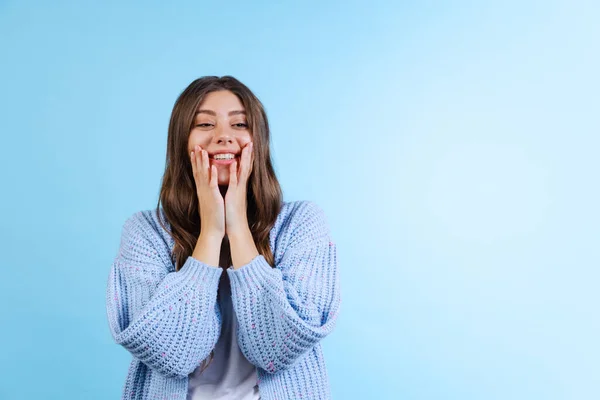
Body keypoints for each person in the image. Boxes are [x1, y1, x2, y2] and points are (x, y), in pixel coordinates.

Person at [105, 76, 342, 400]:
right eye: (204, 123)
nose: (223, 137)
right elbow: (173, 354)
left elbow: (277, 349)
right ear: (181, 141)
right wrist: (212, 231)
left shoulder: (301, 224)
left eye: (239, 124)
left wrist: (238, 226)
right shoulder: (145, 233)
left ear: (258, 140)